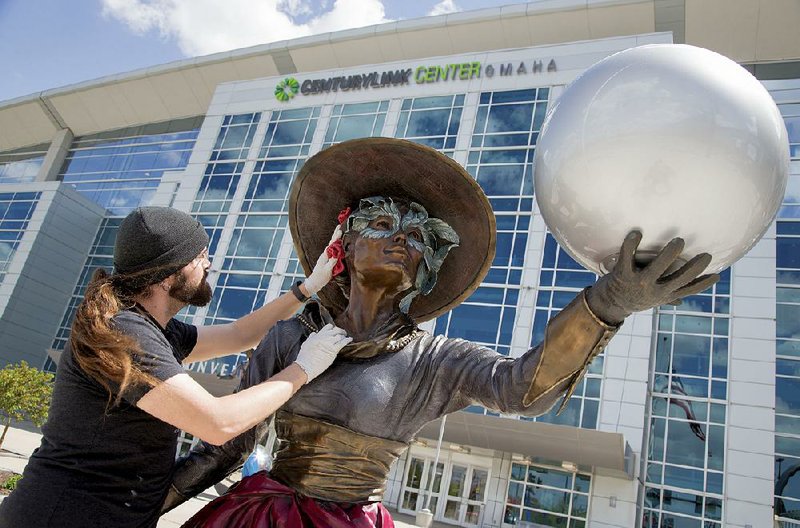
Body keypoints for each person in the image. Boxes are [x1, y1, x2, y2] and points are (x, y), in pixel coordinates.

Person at [164, 138, 720, 527]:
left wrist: (608, 303)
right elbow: (224, 446)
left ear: (426, 267)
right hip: (264, 515)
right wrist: (136, 507)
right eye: (382, 224)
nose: (402, 237)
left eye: (417, 234)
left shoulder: (433, 361)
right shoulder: (289, 338)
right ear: (346, 249)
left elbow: (520, 389)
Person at [0, 206, 351, 528]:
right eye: (200, 256)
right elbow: (218, 423)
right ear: (168, 275)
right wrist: (304, 368)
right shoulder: (124, 332)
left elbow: (240, 334)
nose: (209, 264)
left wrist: (307, 287)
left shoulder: (158, 330)